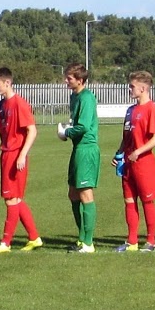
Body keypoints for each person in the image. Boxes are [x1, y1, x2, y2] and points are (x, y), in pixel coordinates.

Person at [0, 67, 44, 253]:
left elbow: (32, 130)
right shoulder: (1, 105)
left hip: (15, 155)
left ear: (7, 83)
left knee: (11, 199)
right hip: (6, 154)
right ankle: (34, 238)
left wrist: (21, 154)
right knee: (16, 199)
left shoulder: (19, 103)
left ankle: (6, 243)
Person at [113, 71, 155, 252]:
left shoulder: (152, 109)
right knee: (129, 200)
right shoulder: (130, 110)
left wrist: (138, 151)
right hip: (128, 162)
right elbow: (126, 136)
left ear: (143, 88)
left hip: (144, 163)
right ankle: (132, 241)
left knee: (147, 201)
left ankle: (150, 241)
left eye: (132, 86)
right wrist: (119, 153)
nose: (129, 89)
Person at [61, 63, 100, 253]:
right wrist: (68, 129)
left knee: (85, 193)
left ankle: (88, 243)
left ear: (80, 80)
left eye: (69, 78)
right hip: (77, 149)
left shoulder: (87, 97)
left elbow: (83, 126)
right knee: (73, 194)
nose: (66, 81)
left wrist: (66, 132)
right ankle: (81, 238)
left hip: (87, 149)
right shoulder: (73, 96)